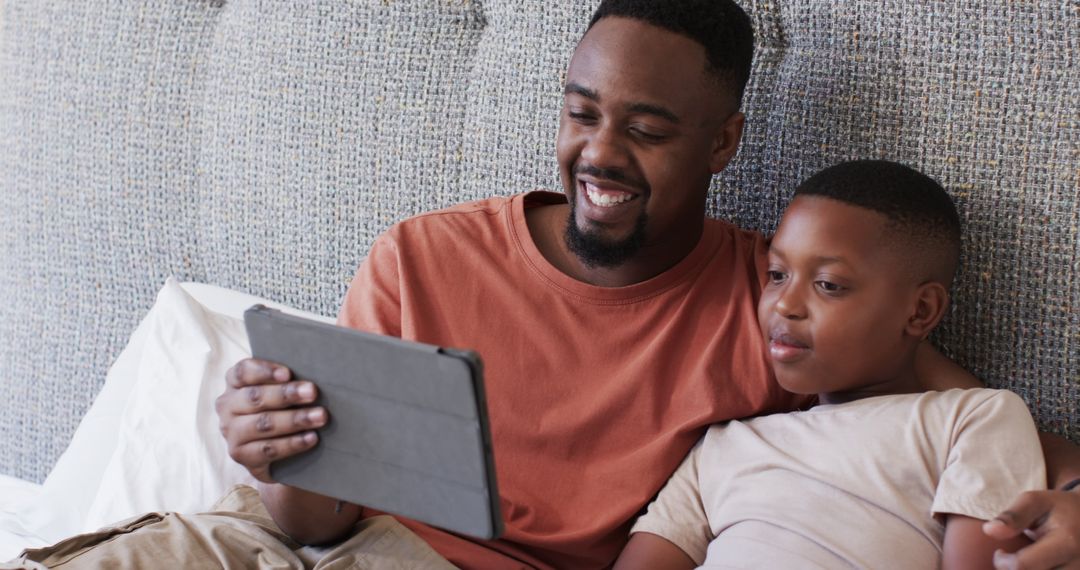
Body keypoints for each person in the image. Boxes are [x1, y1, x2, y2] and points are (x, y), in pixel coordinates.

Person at [7, 1, 1079, 569]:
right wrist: (278, 449)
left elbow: (978, 426)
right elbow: (311, 524)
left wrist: (1069, 503)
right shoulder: (423, 257)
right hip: (270, 543)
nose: (600, 154)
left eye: (649, 129)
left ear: (724, 141)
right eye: (581, 113)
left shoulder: (777, 298)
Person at [613, 160, 1047, 569]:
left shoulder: (974, 419)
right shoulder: (724, 446)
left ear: (920, 312)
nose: (785, 304)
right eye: (778, 274)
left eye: (828, 285)